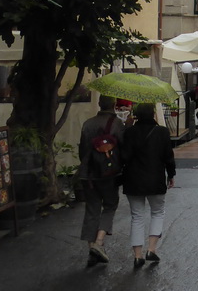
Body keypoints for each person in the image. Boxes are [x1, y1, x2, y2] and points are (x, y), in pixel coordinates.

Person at [120, 103, 175, 269]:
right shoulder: (162, 132)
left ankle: (137, 256)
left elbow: (124, 157)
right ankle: (151, 249)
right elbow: (168, 156)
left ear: (136, 115)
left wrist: (127, 128)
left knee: (137, 216)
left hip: (133, 180)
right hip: (155, 179)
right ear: (153, 114)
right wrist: (171, 175)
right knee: (157, 212)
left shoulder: (129, 132)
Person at [79, 95, 125, 266]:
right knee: (110, 204)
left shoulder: (88, 123)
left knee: (92, 208)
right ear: (113, 105)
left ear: (99, 104)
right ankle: (99, 242)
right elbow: (123, 148)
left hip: (88, 173)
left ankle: (92, 247)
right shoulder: (118, 124)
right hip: (109, 173)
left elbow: (83, 149)